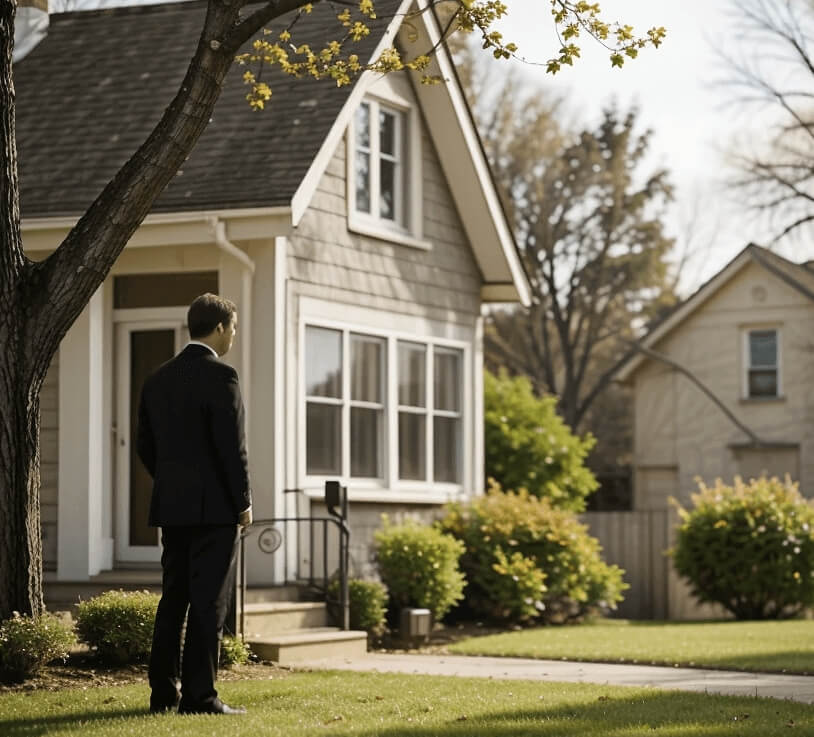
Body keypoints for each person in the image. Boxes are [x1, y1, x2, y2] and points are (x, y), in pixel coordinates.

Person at [137, 293, 252, 715]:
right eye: (234, 329)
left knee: (174, 599)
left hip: (172, 507)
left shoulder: (157, 378)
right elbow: (231, 449)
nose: (234, 337)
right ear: (219, 327)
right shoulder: (223, 377)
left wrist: (173, 481)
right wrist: (243, 501)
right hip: (215, 511)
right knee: (209, 602)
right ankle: (201, 697)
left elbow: (145, 445)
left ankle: (163, 694)